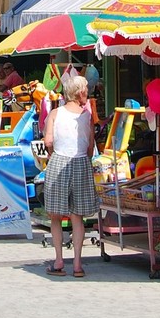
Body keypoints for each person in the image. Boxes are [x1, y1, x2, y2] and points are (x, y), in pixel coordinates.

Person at [43, 73, 98, 277]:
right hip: (81, 161)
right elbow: (91, 146)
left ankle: (58, 260)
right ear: (80, 92)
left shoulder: (56, 113)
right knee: (78, 216)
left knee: (55, 216)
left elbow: (48, 141)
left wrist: (52, 152)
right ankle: (77, 264)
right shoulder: (87, 116)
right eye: (86, 90)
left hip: (59, 161)